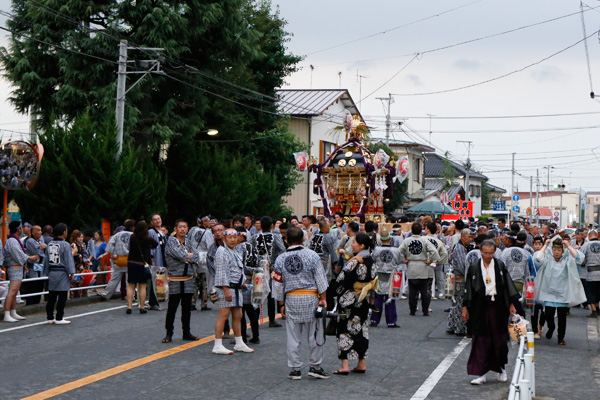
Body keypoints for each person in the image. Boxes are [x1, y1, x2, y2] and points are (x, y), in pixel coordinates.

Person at [272, 226, 329, 379]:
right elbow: (321, 279)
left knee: (293, 336)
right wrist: (323, 298)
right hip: (311, 298)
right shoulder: (312, 256)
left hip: (291, 299)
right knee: (315, 334)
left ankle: (295, 368)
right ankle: (315, 366)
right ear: (303, 239)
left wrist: (281, 304)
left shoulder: (280, 259)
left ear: (286, 240)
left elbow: (277, 284)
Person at [463, 239, 520, 385]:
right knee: (480, 340)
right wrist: (465, 307)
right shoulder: (474, 266)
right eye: (485, 253)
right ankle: (481, 373)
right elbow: (468, 287)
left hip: (498, 305)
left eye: (491, 253)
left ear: (495, 252)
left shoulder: (500, 265)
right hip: (479, 306)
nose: (488, 256)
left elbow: (508, 285)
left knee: (500, 340)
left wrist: (512, 304)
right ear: (480, 252)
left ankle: (501, 369)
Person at [333, 232, 378, 375]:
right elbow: (374, 283)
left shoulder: (354, 261)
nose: (351, 244)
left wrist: (336, 292)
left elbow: (341, 280)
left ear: (361, 245)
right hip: (363, 301)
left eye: (354, 242)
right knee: (362, 329)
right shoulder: (371, 261)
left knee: (343, 329)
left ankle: (344, 365)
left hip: (348, 301)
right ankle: (361, 363)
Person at [534, 236, 586, 346]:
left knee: (562, 317)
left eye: (559, 250)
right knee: (548, 314)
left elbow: (579, 258)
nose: (556, 252)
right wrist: (545, 245)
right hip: (548, 291)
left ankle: (561, 337)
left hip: (563, 291)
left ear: (562, 250)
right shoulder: (547, 258)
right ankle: (551, 327)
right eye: (554, 250)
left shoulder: (567, 258)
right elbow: (537, 259)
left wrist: (568, 246)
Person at [212, 229, 255, 355]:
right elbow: (221, 272)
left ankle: (239, 342)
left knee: (238, 315)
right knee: (223, 315)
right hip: (227, 288)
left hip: (237, 287)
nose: (232, 239)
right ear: (224, 238)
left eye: (234, 237)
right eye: (229, 237)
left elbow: (236, 270)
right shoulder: (221, 251)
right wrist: (226, 289)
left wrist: (243, 283)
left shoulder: (235, 250)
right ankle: (217, 344)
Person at [163, 219, 202, 343]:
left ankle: (186, 332)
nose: (183, 229)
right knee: (172, 308)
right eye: (180, 227)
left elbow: (197, 257)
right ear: (175, 229)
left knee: (186, 308)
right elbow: (181, 255)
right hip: (175, 278)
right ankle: (169, 333)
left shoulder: (189, 242)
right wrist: (188, 256)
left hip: (189, 279)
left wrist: (188, 256)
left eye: (185, 227)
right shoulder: (171, 242)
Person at [249, 216, 286, 328]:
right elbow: (282, 250)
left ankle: (254, 319)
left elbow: (250, 250)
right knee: (271, 294)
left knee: (258, 292)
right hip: (271, 268)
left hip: (258, 268)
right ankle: (271, 319)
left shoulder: (255, 237)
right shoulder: (275, 237)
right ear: (272, 226)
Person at [399, 223, 440, 316]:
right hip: (423, 266)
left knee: (412, 291)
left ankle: (412, 310)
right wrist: (430, 260)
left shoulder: (407, 241)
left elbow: (399, 252)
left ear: (412, 231)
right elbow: (434, 252)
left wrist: (404, 259)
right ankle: (425, 310)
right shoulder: (424, 241)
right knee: (424, 291)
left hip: (411, 266)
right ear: (421, 231)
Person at [4, 221, 37, 322]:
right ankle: (6, 313)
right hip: (14, 267)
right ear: (18, 229)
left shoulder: (13, 240)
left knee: (14, 292)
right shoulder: (12, 241)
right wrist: (30, 257)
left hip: (17, 267)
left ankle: (13, 311)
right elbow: (18, 255)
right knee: (12, 291)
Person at [44, 223, 76, 325]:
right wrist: (72, 272)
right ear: (64, 232)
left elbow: (46, 259)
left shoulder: (50, 244)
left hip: (52, 271)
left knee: (52, 296)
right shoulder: (65, 245)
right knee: (62, 295)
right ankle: (59, 317)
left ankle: (50, 317)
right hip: (62, 272)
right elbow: (68, 260)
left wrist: (46, 272)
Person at [370, 230, 402, 327]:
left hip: (378, 276)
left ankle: (374, 320)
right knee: (390, 299)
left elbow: (372, 261)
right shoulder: (396, 251)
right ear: (390, 238)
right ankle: (391, 321)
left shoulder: (376, 250)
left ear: (380, 239)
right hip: (391, 276)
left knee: (377, 299)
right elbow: (399, 261)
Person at [126, 220, 158, 314]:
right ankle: (142, 307)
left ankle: (129, 307)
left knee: (131, 285)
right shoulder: (147, 238)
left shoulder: (132, 237)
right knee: (142, 286)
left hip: (131, 262)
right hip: (141, 264)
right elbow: (155, 244)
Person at [447, 228, 474, 336]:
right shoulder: (460, 248)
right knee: (459, 304)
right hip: (460, 279)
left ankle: (452, 326)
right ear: (462, 236)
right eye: (469, 237)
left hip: (458, 278)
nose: (471, 239)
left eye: (472, 237)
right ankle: (459, 328)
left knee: (455, 304)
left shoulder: (462, 247)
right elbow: (463, 267)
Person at [100, 220, 135, 301]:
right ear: (133, 227)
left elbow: (110, 244)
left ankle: (106, 295)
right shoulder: (134, 235)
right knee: (129, 280)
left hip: (119, 259)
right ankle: (131, 297)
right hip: (130, 259)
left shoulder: (118, 234)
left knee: (114, 278)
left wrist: (111, 254)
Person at [188, 215, 214, 311]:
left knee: (195, 282)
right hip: (204, 258)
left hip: (194, 257)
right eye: (208, 221)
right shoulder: (207, 232)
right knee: (204, 283)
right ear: (203, 222)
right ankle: (204, 303)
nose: (210, 223)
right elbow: (210, 246)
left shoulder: (193, 230)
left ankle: (192, 301)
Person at [425, 222, 449, 300]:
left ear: (428, 230)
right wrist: (438, 261)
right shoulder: (439, 241)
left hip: (424, 262)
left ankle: (422, 294)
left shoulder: (422, 239)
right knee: (439, 278)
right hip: (434, 262)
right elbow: (445, 253)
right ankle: (439, 293)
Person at [581, 230, 600, 318]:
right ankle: (598, 308)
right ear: (597, 235)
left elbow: (581, 258)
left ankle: (594, 310)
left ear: (589, 236)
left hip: (591, 273)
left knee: (591, 292)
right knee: (598, 292)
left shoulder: (586, 245)